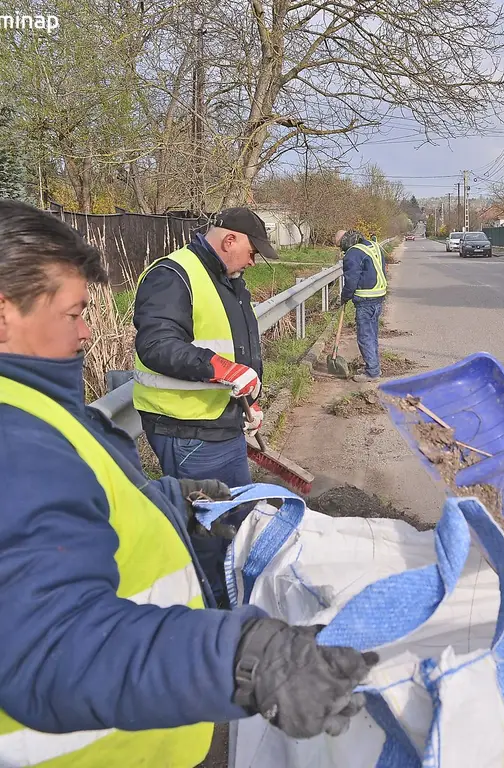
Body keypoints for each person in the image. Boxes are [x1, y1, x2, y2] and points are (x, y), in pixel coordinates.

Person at [0, 201, 376, 767]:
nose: (87, 331)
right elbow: (49, 646)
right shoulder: (16, 441)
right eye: (74, 313)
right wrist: (241, 659)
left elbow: (68, 520)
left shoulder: (33, 409)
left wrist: (164, 500)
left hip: (153, 729)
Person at [133, 207, 271, 606]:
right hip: (188, 431)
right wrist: (225, 371)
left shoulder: (229, 280)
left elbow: (238, 348)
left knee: (237, 524)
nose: (253, 260)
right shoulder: (173, 275)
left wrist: (249, 399)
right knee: (213, 538)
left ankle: (234, 610)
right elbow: (158, 344)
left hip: (220, 424)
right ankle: (215, 623)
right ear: (229, 241)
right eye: (251, 251)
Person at [340, 229, 388, 383]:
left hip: (365, 300)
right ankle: (373, 366)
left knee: (365, 336)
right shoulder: (373, 246)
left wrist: (344, 297)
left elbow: (351, 280)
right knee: (372, 334)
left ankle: (372, 372)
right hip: (378, 297)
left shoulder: (353, 254)